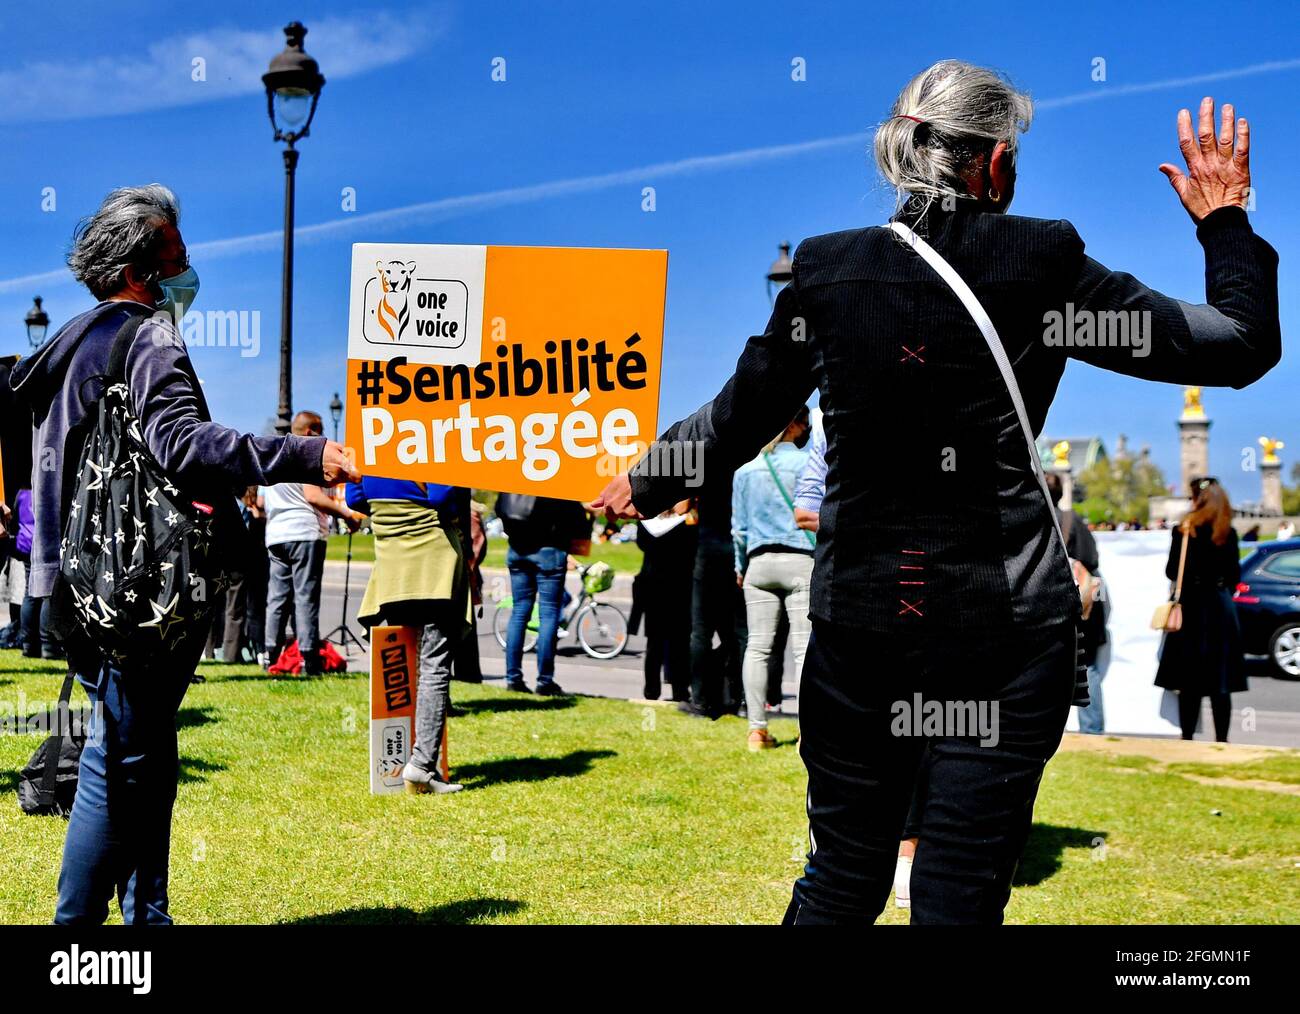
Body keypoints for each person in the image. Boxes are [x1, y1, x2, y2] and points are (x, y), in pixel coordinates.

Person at [591, 63, 1280, 924]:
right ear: (995, 165)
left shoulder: (824, 271)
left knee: (840, 879)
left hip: (859, 627)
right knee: (958, 892)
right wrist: (1226, 223)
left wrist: (647, 473)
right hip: (1002, 632)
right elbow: (1237, 345)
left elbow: (740, 415)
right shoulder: (1042, 260)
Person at [8, 184, 358, 924]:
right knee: (119, 758)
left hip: (77, 584)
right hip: (138, 589)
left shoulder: (68, 344)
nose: (188, 268)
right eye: (177, 254)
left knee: (142, 751)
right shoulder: (149, 335)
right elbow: (184, 446)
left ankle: (145, 918)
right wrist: (306, 452)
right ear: (140, 268)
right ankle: (80, 932)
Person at [347, 477, 467, 793]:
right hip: (433, 562)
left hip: (392, 565)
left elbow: (354, 498)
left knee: (408, 664)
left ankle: (401, 760)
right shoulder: (428, 438)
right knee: (434, 668)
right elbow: (444, 497)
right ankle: (421, 765)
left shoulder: (372, 444)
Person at [732, 407, 814, 749]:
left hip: (759, 563)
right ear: (795, 425)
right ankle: (807, 732)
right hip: (800, 560)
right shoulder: (808, 465)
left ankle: (756, 729)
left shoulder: (745, 470)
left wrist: (740, 566)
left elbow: (739, 529)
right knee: (804, 649)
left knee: (758, 646)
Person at [262, 411, 363, 675]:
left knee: (278, 597)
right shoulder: (305, 454)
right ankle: (309, 658)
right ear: (309, 432)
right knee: (306, 597)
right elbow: (313, 496)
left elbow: (262, 501)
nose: (323, 436)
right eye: (319, 430)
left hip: (276, 533)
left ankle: (269, 655)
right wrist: (348, 515)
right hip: (304, 531)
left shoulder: (276, 455)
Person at [1155, 478, 1245, 742]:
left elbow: (1172, 571)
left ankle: (1187, 737)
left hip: (1191, 606)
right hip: (1219, 606)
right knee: (1221, 682)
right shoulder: (1227, 531)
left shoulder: (1184, 530)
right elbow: (1233, 575)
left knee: (1189, 680)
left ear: (1196, 499)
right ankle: (1222, 740)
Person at [497, 495, 591, 695]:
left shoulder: (515, 480)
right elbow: (576, 517)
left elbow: (500, 509)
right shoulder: (555, 482)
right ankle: (545, 681)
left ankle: (513, 678)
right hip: (550, 549)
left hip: (517, 549)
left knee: (519, 612)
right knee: (548, 614)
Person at [1045, 472, 1108, 734]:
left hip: (1051, 606)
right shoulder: (1075, 521)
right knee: (1087, 667)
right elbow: (1093, 561)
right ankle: (1092, 730)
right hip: (1085, 609)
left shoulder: (1040, 522)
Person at [634, 501, 697, 701]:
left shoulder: (646, 525)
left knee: (654, 642)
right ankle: (680, 690)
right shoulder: (686, 526)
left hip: (652, 587)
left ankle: (651, 690)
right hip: (680, 588)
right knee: (679, 641)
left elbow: (641, 544)